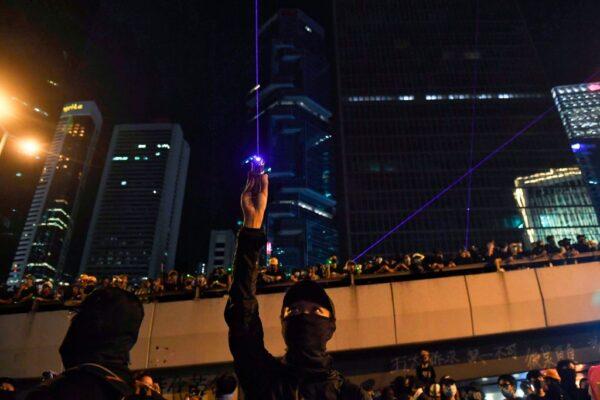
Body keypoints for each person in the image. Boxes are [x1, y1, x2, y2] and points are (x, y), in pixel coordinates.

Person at [224, 172, 368, 399]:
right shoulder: (263, 377)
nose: (304, 316)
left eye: (316, 311)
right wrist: (252, 226)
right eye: (295, 311)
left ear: (331, 326)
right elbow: (242, 316)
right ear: (283, 322)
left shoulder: (350, 395)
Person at [25, 286, 160, 400]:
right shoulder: (140, 393)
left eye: (78, 314)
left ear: (90, 325)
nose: (72, 321)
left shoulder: (54, 393)